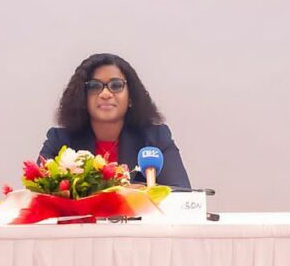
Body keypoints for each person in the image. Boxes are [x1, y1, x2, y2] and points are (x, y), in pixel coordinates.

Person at [40, 53, 191, 189]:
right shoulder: (60, 141)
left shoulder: (156, 139)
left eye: (116, 85)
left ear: (131, 97)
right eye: (94, 86)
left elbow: (182, 195)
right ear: (82, 97)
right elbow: (37, 193)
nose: (105, 94)